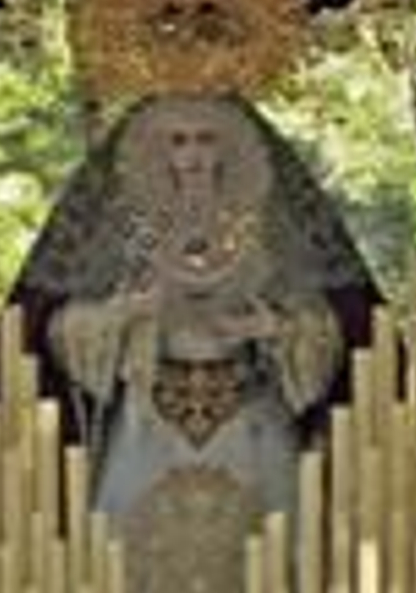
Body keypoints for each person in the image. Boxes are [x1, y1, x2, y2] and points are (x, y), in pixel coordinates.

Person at [20, 94, 376, 519]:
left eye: (205, 140)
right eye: (179, 141)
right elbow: (64, 329)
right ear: (158, 151)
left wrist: (274, 329)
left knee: (265, 544)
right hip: (149, 415)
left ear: (229, 148)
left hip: (249, 413)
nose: (192, 156)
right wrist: (122, 313)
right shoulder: (135, 235)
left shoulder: (264, 233)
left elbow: (324, 327)